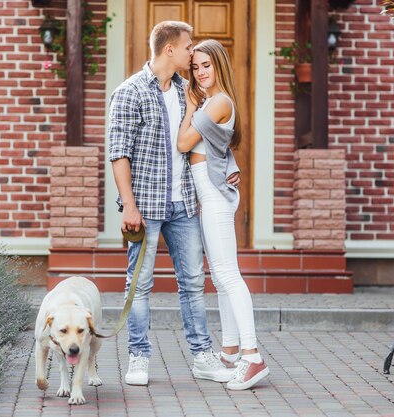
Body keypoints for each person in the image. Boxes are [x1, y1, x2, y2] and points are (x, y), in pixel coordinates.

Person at [108, 22, 238, 386]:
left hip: (184, 205)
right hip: (145, 206)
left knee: (194, 283)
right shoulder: (129, 93)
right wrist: (129, 205)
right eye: (188, 48)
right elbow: (119, 154)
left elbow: (213, 137)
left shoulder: (188, 91)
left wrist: (231, 166)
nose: (192, 54)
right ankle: (138, 355)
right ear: (170, 50)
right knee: (141, 282)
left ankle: (201, 355)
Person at [177, 39, 269, 390]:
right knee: (219, 275)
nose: (200, 73)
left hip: (214, 196)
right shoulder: (210, 102)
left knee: (229, 275)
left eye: (206, 66)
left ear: (219, 66)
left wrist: (188, 105)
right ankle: (230, 351)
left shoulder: (217, 102)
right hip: (210, 193)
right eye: (195, 67)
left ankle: (253, 356)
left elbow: (184, 143)